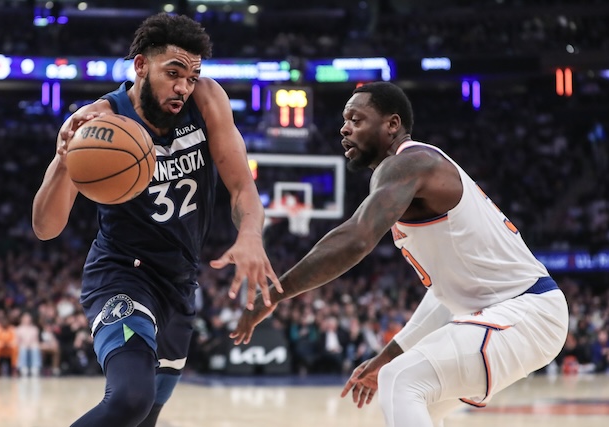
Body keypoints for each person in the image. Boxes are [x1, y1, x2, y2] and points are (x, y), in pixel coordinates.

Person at [231, 82, 569, 427]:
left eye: (356, 119)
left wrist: (273, 295)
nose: (344, 128)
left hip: (527, 311)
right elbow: (445, 296)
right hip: (514, 313)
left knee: (402, 380)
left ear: (392, 124)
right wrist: (388, 354)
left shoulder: (410, 163)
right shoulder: (407, 174)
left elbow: (356, 238)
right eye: (345, 120)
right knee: (415, 401)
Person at [32, 13, 281, 427]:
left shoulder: (207, 99)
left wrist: (251, 234)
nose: (184, 85)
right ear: (141, 66)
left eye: (193, 74)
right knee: (130, 398)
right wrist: (63, 162)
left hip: (180, 283)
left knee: (144, 417)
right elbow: (45, 227)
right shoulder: (99, 121)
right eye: (174, 72)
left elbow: (242, 189)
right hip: (121, 274)